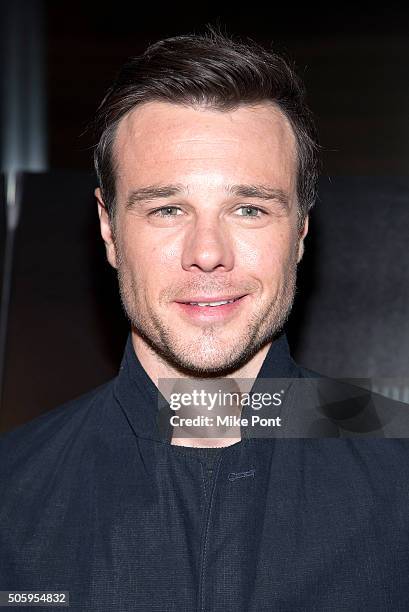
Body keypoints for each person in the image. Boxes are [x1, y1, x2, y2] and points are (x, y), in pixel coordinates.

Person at [1, 29, 409, 611]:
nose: (208, 251)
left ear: (300, 230)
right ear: (109, 228)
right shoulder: (12, 494)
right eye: (168, 209)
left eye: (249, 208)